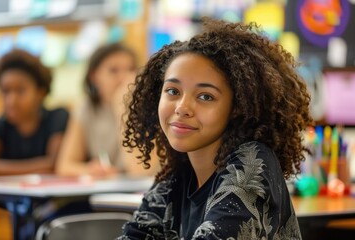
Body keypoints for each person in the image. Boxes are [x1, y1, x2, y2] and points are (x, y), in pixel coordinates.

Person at [118, 18, 312, 239]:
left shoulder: (252, 163)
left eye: (205, 96)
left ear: (237, 108)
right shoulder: (179, 173)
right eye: (173, 91)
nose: (182, 108)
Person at [56, 43, 142, 177]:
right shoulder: (86, 108)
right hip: (104, 189)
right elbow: (65, 165)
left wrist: (124, 109)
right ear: (94, 77)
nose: (123, 78)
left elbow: (139, 170)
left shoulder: (147, 109)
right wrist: (90, 170)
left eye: (131, 70)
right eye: (113, 70)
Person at [0, 49, 69, 175]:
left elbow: (55, 163)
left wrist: (2, 168)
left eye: (21, 91)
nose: (11, 101)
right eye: (6, 91)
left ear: (41, 92)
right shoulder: (0, 126)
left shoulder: (58, 118)